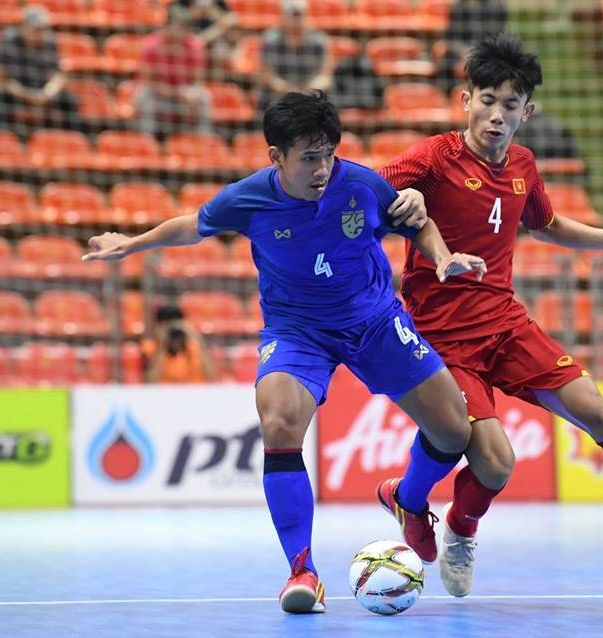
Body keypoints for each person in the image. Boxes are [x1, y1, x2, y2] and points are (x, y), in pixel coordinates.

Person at [82, 91, 487, 614]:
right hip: (297, 331)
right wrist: (132, 243)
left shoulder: (360, 184)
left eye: (328, 154)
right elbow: (194, 224)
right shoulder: (250, 198)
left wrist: (442, 256)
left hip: (375, 322)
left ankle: (406, 498)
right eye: (308, 157)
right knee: (277, 423)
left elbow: (416, 221)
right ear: (276, 157)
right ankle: (302, 570)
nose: (322, 168)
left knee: (454, 431)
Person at [379, 32, 603, 597]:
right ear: (464, 99)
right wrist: (403, 207)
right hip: (442, 339)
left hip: (506, 323)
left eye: (510, 104)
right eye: (487, 100)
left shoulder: (522, 163)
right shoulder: (432, 157)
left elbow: (546, 223)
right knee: (496, 465)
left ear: (528, 111)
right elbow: (373, 194)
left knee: (602, 414)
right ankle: (437, 516)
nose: (497, 115)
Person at [0, 5, 82, 133]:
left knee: (69, 99)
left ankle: (71, 140)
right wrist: (25, 94)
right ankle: (0, 137)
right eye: (36, 29)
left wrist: (47, 93)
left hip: (42, 93)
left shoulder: (49, 42)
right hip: (16, 92)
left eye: (43, 29)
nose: (40, 33)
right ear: (24, 26)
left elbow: (58, 75)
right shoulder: (9, 41)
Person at [134, 4, 212, 137]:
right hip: (158, 93)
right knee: (144, 97)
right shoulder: (151, 45)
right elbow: (148, 82)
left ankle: (202, 141)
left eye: (185, 28)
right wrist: (174, 93)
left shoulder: (195, 46)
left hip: (184, 96)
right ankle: (147, 142)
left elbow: (199, 81)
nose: (182, 32)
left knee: (204, 97)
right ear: (167, 26)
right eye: (179, 27)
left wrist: (193, 93)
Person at [253, 0, 333, 121]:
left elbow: (325, 76)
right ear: (283, 16)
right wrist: (288, 90)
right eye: (292, 15)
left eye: (299, 15)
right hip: (277, 96)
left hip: (309, 97)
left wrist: (308, 90)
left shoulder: (319, 40)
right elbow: (266, 75)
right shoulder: (270, 39)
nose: (295, 21)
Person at [140, 303, 215, 383]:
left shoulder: (193, 347)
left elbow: (210, 375)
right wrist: (162, 346)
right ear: (156, 326)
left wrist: (195, 336)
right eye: (166, 325)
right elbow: (150, 381)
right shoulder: (148, 347)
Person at [171, 0, 239, 68]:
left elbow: (233, 19)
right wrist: (192, 14)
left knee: (220, 51)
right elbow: (174, 25)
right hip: (187, 42)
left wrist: (213, 13)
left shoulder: (220, 3)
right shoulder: (180, 3)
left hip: (212, 40)